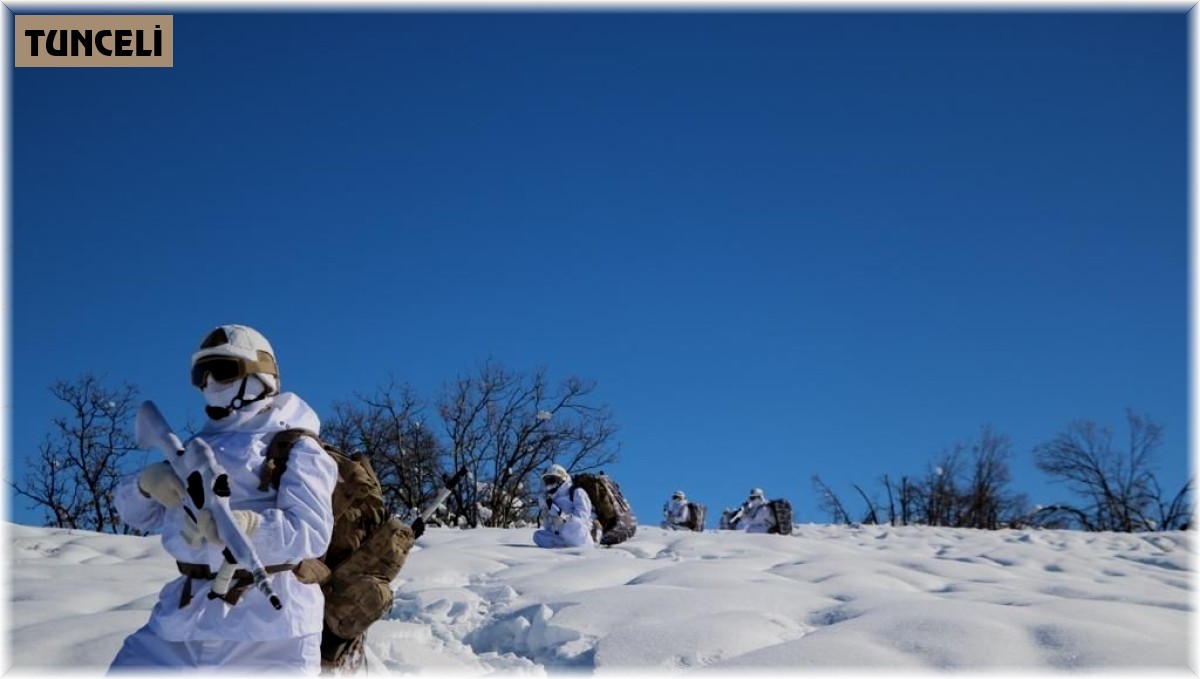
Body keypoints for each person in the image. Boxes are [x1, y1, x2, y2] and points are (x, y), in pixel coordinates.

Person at [109, 324, 339, 673]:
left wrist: (247, 526)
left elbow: (310, 532)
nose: (212, 383)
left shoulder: (296, 447)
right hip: (179, 623)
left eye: (225, 370)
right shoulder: (190, 450)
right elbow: (135, 515)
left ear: (261, 375)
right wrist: (145, 484)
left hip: (269, 633)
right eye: (203, 373)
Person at [533, 464, 596, 548]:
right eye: (546, 481)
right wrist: (546, 517)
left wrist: (564, 518)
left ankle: (582, 546)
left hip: (579, 532)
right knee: (538, 536)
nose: (548, 484)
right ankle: (565, 546)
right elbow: (548, 527)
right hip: (560, 534)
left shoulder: (577, 492)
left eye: (551, 480)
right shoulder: (549, 499)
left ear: (560, 479)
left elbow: (582, 517)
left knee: (572, 528)